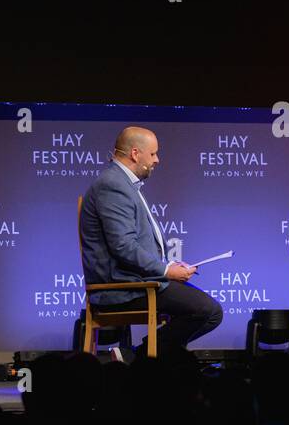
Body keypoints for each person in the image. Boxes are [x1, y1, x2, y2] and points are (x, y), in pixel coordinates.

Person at [80, 126, 221, 355]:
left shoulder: (124, 184)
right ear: (136, 154)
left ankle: (154, 364)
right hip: (123, 288)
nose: (157, 160)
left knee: (198, 308)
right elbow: (123, 247)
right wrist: (166, 270)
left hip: (138, 281)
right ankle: (138, 357)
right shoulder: (113, 185)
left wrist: (170, 267)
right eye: (153, 154)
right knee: (208, 311)